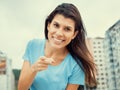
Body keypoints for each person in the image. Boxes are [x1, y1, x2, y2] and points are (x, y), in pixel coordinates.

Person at [18, 3, 97, 90]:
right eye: (56, 25)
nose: (59, 33)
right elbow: (21, 88)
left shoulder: (76, 64)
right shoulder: (33, 45)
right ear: (49, 25)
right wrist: (33, 69)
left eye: (67, 29)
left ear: (74, 34)